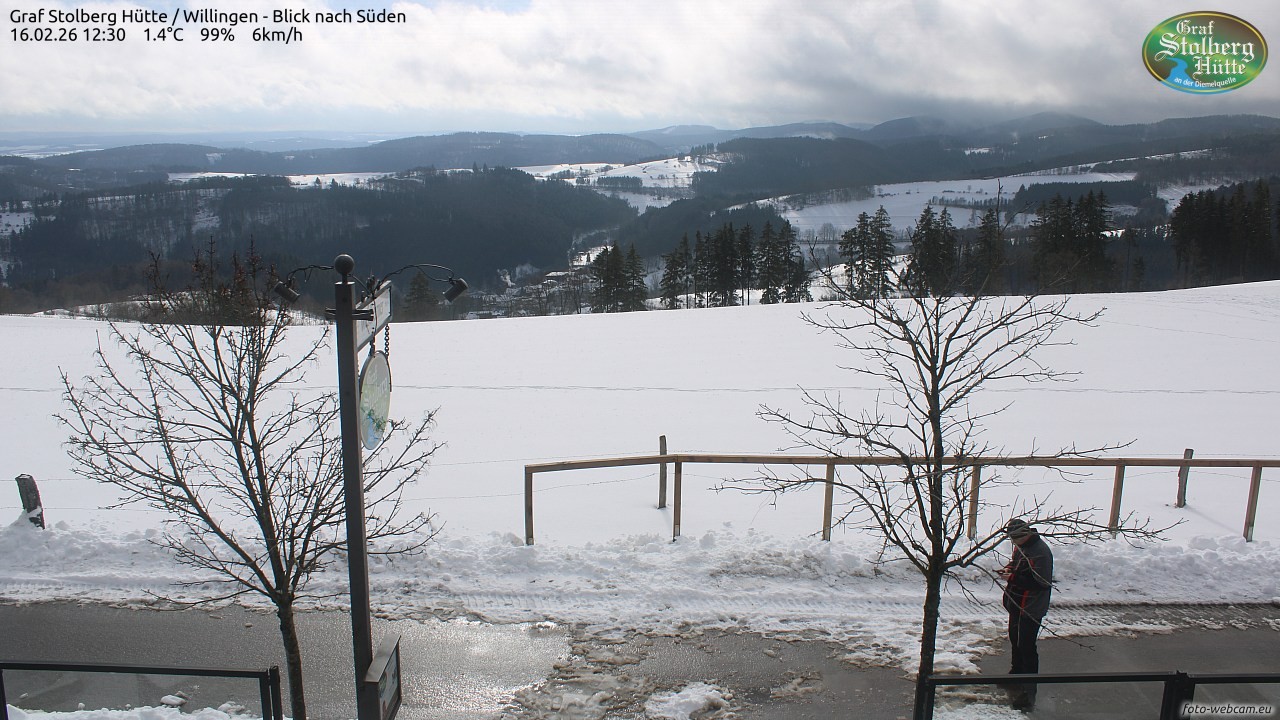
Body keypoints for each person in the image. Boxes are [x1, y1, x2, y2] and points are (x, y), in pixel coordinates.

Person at [999, 518, 1053, 712]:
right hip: (1016, 603)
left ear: (1026, 534)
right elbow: (1018, 564)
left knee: (1027, 647)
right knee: (1015, 640)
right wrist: (1010, 569)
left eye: (1016, 539)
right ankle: (1015, 676)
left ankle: (1028, 692)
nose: (1014, 543)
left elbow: (1041, 583)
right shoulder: (1021, 547)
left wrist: (1012, 577)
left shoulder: (1040, 553)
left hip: (1030, 607)